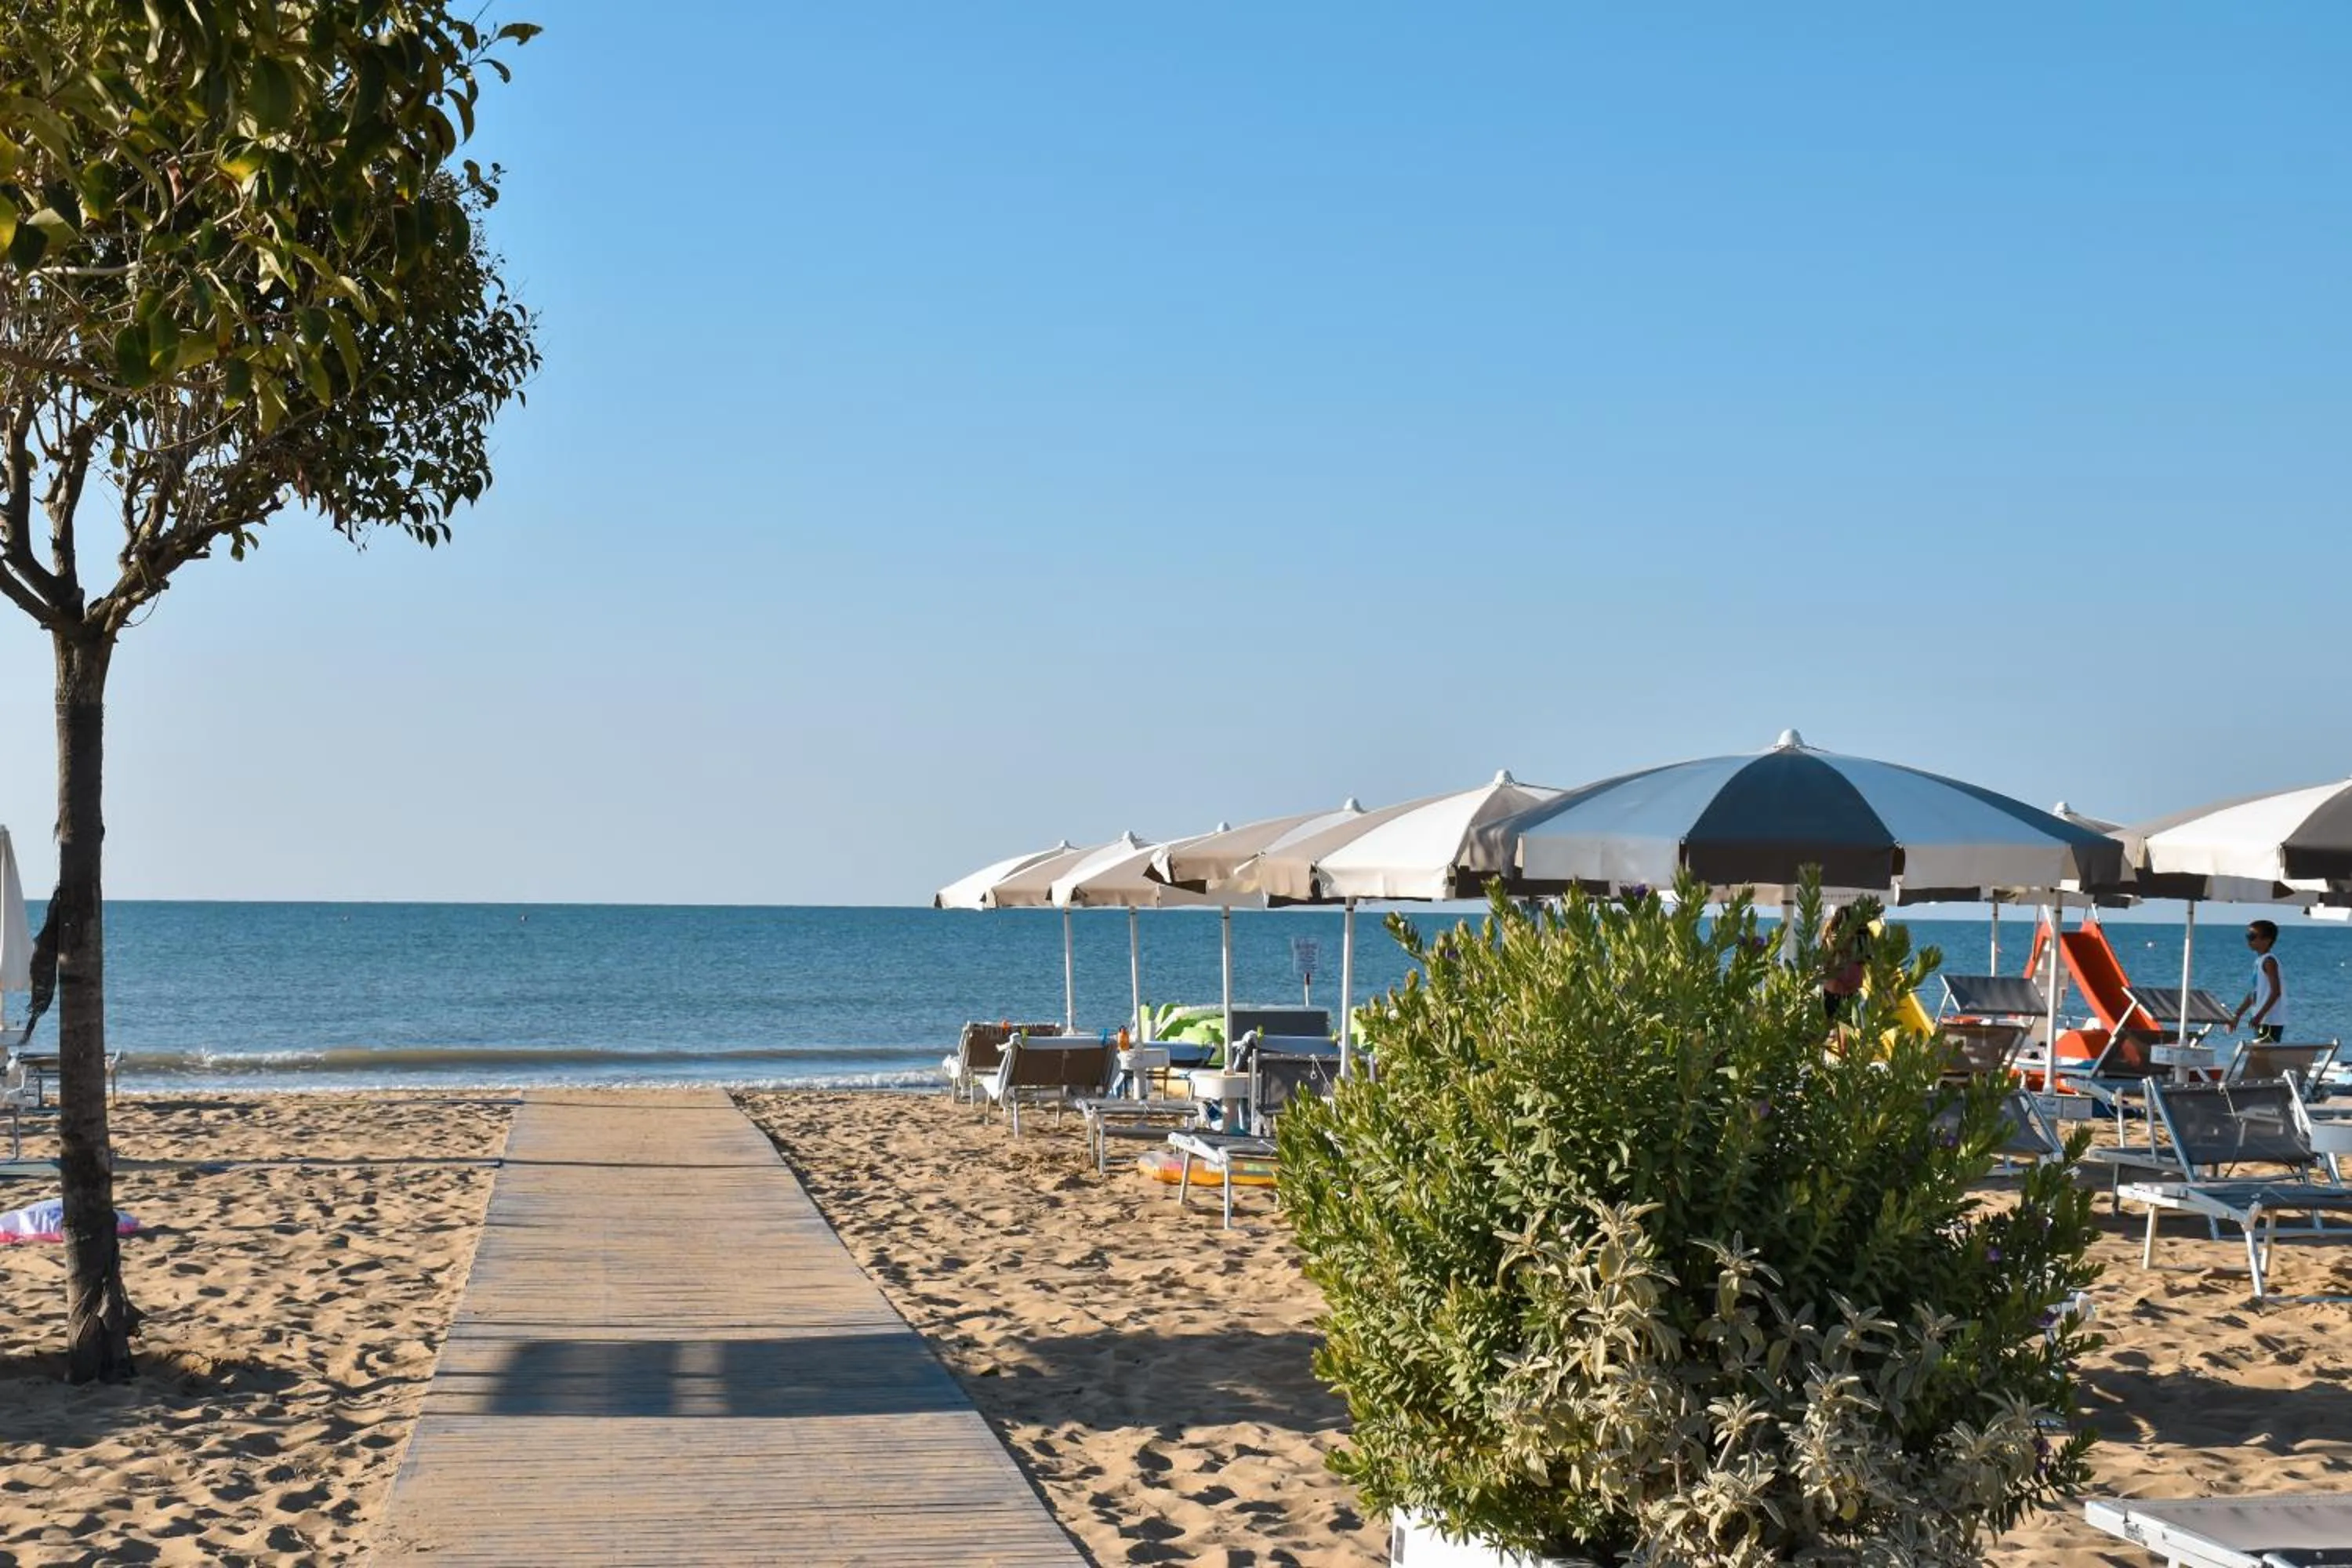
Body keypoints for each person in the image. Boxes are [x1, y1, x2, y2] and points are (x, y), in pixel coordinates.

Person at [2230, 920, 2288, 1043]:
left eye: (2252, 937)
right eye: (2248, 936)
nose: (2249, 940)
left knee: (2261, 1059)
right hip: (2262, 1020)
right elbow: (2254, 994)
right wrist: (2237, 1015)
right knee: (2260, 1058)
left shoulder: (2269, 961)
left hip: (2270, 1021)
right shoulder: (2259, 961)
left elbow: (2276, 992)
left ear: (2267, 940)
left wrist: (2260, 1016)